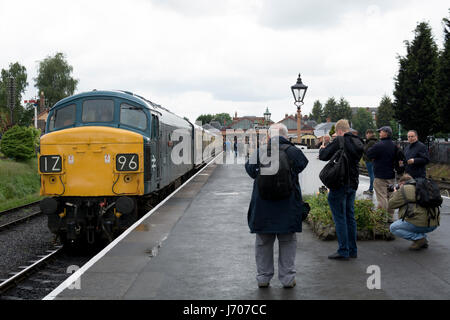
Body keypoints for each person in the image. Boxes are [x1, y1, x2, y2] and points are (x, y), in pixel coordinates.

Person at [245, 123, 308, 288]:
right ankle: (288, 279)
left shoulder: (260, 151)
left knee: (263, 242)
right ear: (286, 136)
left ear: (269, 136)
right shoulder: (294, 152)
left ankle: (263, 278)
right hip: (288, 205)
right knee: (287, 241)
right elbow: (301, 166)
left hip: (263, 206)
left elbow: (251, 171)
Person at [319, 119, 364, 260]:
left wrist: (322, 148)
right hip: (352, 184)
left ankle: (343, 250)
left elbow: (323, 155)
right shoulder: (358, 141)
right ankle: (352, 250)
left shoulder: (340, 140)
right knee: (350, 217)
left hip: (340, 184)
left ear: (339, 131)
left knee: (340, 218)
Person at [389, 174, 439, 250]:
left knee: (393, 228)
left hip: (418, 224)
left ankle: (419, 239)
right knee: (419, 217)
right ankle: (423, 239)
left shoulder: (404, 189)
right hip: (434, 224)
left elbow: (391, 204)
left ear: (402, 183)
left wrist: (395, 192)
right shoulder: (424, 186)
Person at [366, 126, 397, 222]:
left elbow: (369, 154)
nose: (379, 133)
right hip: (391, 175)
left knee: (382, 197)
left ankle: (381, 217)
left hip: (380, 175)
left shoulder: (379, 145)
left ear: (386, 133)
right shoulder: (394, 145)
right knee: (391, 196)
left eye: (381, 131)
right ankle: (390, 217)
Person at [363, 129, 378, 195]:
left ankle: (371, 189)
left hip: (370, 160)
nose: (366, 135)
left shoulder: (371, 142)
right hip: (370, 160)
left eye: (367, 134)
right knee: (372, 175)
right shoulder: (373, 141)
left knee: (372, 175)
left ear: (370, 134)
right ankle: (371, 189)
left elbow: (365, 149)